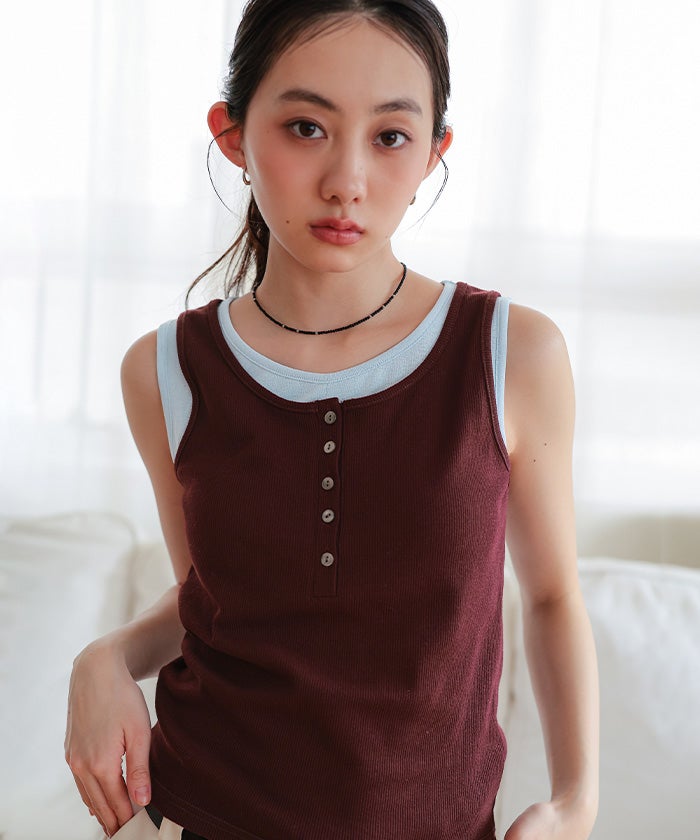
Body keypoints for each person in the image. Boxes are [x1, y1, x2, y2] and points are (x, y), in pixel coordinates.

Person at [64, 1, 599, 838]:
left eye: (390, 136)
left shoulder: (510, 353)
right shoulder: (164, 369)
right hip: (210, 813)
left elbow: (553, 595)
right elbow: (209, 596)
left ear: (433, 153)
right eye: (306, 127)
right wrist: (105, 658)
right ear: (233, 135)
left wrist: (576, 802)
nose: (347, 180)